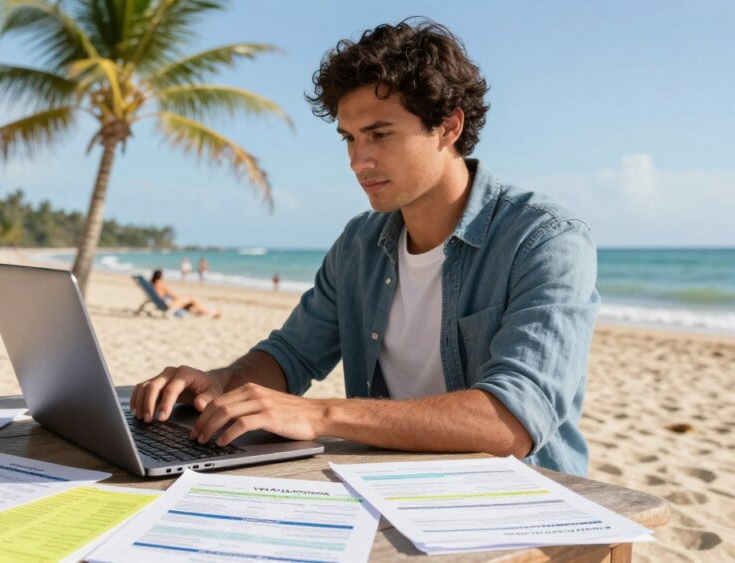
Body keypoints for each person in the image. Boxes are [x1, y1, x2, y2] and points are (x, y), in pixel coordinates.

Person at [130, 19, 599, 477]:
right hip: (388, 482)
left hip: (519, 498)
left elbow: (513, 421)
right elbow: (291, 355)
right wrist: (222, 381)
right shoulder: (359, 243)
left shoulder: (544, 239)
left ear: (448, 127)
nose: (359, 161)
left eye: (379, 134)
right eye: (349, 139)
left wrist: (319, 415)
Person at [151, 270, 221, 319]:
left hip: (166, 303)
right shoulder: (161, 284)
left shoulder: (152, 285)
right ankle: (210, 313)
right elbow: (173, 295)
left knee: (192, 307)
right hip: (170, 305)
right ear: (160, 277)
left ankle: (211, 314)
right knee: (190, 298)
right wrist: (180, 299)